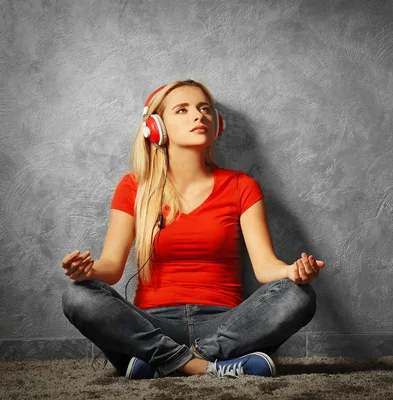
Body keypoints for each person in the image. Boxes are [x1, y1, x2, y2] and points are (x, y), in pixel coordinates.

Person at [61, 79, 326, 379]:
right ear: (155, 127)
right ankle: (207, 368)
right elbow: (110, 268)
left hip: (226, 325)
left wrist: (293, 272)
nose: (198, 116)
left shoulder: (241, 186)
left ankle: (167, 364)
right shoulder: (133, 187)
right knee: (77, 297)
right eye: (182, 110)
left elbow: (265, 268)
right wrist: (88, 272)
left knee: (299, 296)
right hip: (150, 327)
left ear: (217, 124)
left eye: (204, 109)